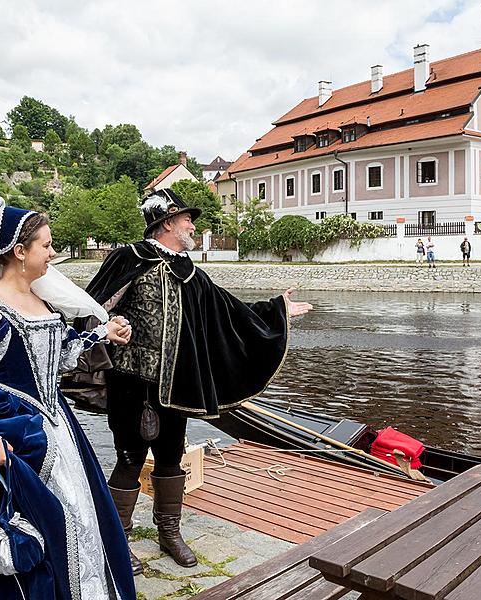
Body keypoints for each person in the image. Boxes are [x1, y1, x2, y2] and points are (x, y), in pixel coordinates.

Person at [85, 188, 312, 572]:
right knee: (129, 458)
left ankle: (169, 531)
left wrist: (278, 310)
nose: (192, 225)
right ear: (167, 223)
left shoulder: (190, 271)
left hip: (178, 384)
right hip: (131, 382)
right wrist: (106, 325)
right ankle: (118, 537)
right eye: (187, 219)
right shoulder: (129, 258)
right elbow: (91, 305)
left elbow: (230, 311)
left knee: (172, 458)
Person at [0, 196, 137, 599]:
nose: (53, 252)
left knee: (78, 524)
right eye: (46, 244)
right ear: (20, 252)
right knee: (28, 539)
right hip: (5, 441)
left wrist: (102, 334)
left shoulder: (40, 302)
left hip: (55, 430)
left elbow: (56, 359)